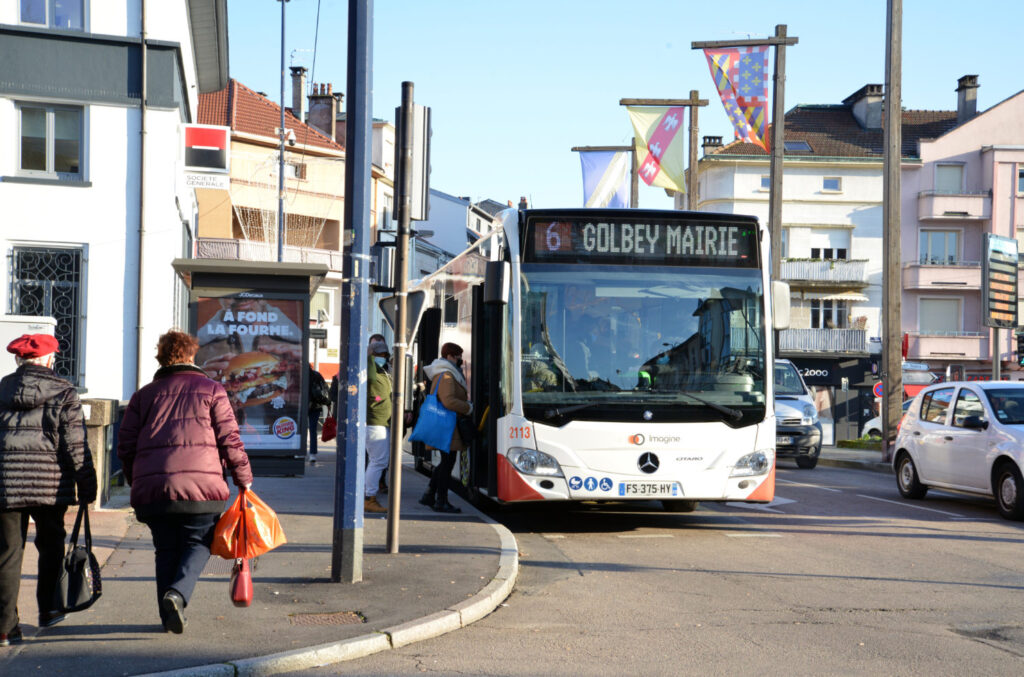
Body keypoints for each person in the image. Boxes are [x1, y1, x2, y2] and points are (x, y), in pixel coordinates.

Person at [117, 330, 252, 634]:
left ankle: (168, 617)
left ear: (160, 358)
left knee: (165, 549)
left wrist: (136, 480)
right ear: (192, 356)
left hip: (154, 491)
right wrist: (244, 479)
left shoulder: (143, 396)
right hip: (202, 489)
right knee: (200, 542)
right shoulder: (212, 390)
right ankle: (176, 595)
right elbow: (230, 439)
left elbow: (125, 446)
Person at [0, 334, 97, 646]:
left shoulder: (2, 388)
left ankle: (5, 627)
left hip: (5, 484)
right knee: (52, 544)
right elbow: (75, 444)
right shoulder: (64, 391)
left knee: (7, 553)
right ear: (49, 359)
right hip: (50, 485)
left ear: (19, 360)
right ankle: (50, 608)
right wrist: (87, 484)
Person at [418, 342, 472, 514]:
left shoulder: (444, 373)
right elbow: (448, 401)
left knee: (445, 462)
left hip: (445, 425)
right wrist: (468, 407)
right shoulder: (447, 376)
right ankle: (441, 501)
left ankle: (429, 495)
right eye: (458, 357)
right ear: (449, 357)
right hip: (448, 426)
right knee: (448, 463)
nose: (460, 361)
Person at [364, 338, 392, 514]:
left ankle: (370, 496)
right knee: (378, 461)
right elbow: (370, 374)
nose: (382, 357)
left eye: (384, 354)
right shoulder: (372, 371)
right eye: (378, 354)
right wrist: (369, 357)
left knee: (379, 461)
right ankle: (369, 497)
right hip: (375, 423)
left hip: (383, 422)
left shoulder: (384, 373)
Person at [307, 365, 330, 465]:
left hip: (303, 407)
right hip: (316, 406)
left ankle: (300, 452)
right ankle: (312, 454)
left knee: (301, 430)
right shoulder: (317, 375)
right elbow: (325, 388)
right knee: (313, 430)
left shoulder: (300, 375)